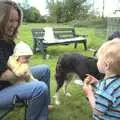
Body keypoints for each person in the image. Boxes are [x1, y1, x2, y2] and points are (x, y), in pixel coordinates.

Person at [0, 1, 52, 120]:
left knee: (45, 69)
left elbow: (16, 61)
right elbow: (5, 76)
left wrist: (23, 59)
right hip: (2, 89)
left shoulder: (7, 40)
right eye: (10, 20)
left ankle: (44, 105)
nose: (15, 24)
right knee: (40, 88)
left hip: (11, 80)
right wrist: (26, 75)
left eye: (17, 20)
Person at [83, 39, 120, 120]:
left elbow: (98, 111)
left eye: (98, 59)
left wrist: (89, 94)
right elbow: (110, 92)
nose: (96, 61)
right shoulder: (115, 82)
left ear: (106, 65)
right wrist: (96, 82)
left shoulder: (105, 87)